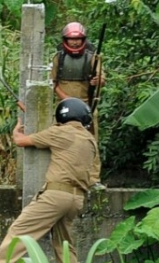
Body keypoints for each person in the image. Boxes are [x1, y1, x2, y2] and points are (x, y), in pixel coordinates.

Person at [0, 98, 97, 263]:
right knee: (64, 243)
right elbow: (55, 133)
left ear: (61, 117)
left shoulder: (59, 133)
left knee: (21, 230)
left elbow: (21, 141)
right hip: (76, 198)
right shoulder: (89, 139)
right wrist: (30, 109)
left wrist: (17, 130)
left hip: (56, 195)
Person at [50, 21, 106, 191]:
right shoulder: (58, 58)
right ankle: (60, 178)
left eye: (78, 39)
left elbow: (102, 80)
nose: (75, 42)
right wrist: (66, 100)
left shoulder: (93, 58)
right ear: (65, 40)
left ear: (83, 40)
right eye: (71, 39)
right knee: (59, 141)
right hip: (63, 106)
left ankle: (93, 180)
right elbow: (52, 83)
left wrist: (98, 81)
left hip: (86, 106)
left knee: (90, 142)